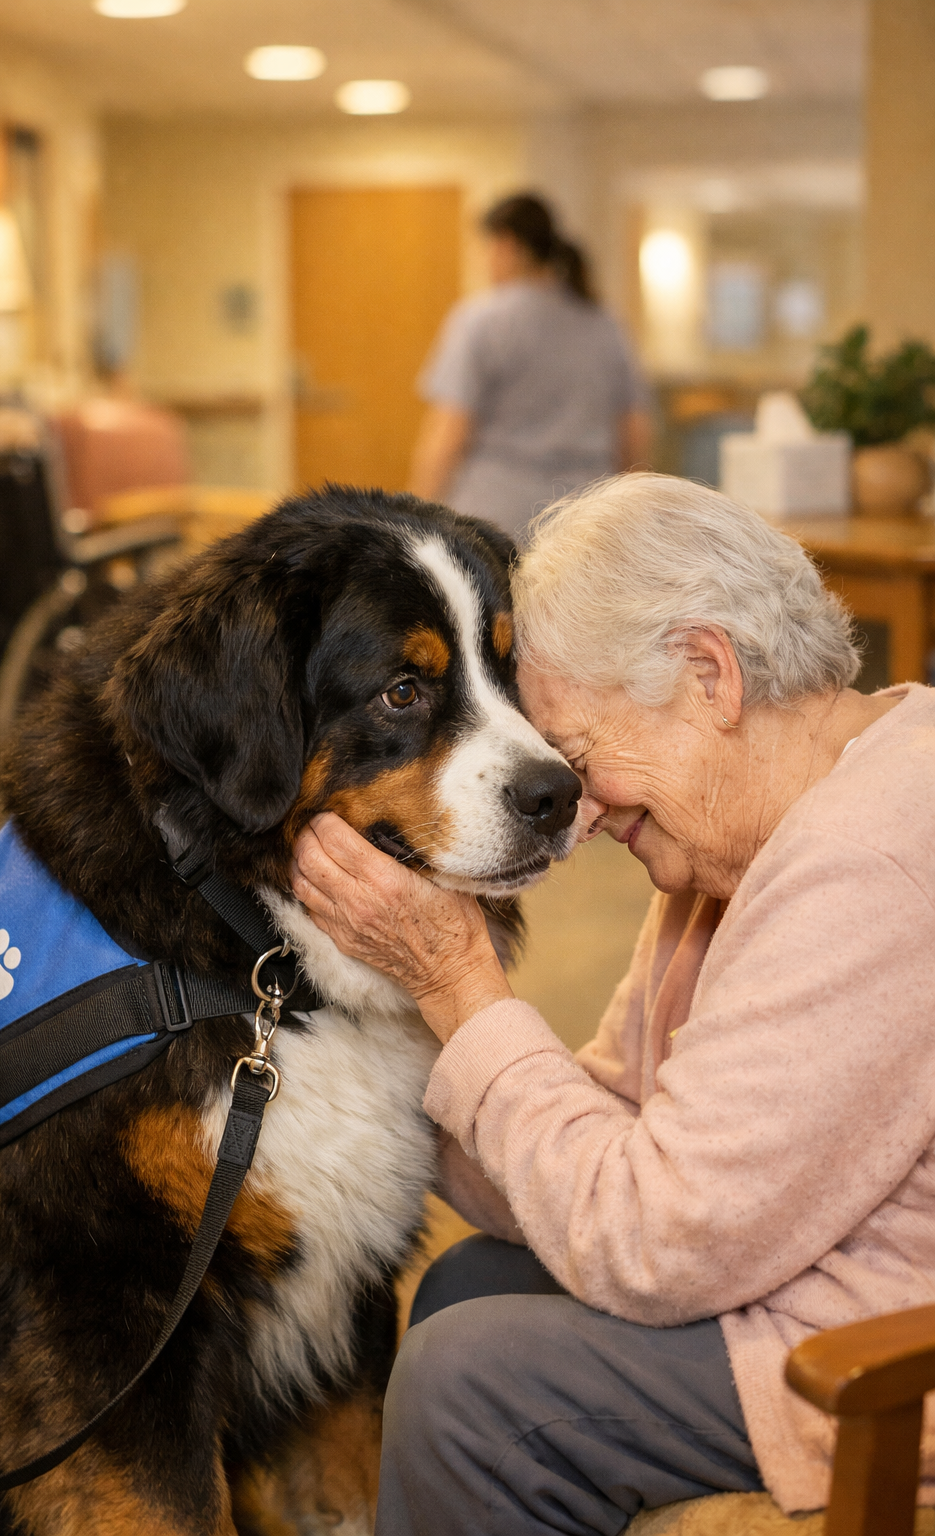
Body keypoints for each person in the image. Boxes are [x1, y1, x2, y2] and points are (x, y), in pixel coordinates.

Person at [291, 472, 935, 1534]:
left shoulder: (867, 862)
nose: (578, 818)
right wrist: (382, 1037)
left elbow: (648, 1239)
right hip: (789, 1272)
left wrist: (461, 988)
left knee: (472, 1386)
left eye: (578, 760)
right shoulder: (742, 848)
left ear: (706, 674)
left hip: (881, 1349)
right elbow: (590, 1145)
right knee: (470, 1283)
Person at [409, 193, 652, 540]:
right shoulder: (604, 324)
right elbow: (635, 428)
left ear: (507, 246)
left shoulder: (480, 320)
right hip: (585, 518)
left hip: (496, 518)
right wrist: (633, 510)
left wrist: (416, 512)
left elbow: (448, 432)